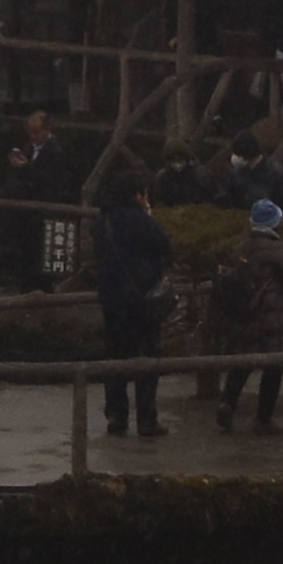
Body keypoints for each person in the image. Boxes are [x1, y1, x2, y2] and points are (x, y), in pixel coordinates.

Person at [91, 170, 175, 438]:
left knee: (115, 356)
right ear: (137, 195)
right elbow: (165, 245)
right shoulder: (139, 220)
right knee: (146, 358)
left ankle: (116, 413)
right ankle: (146, 418)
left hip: (110, 299)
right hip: (141, 299)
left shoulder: (102, 219)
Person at [197, 217, 283, 429]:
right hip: (272, 315)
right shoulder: (275, 248)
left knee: (243, 362)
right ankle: (263, 419)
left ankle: (227, 402)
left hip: (245, 314)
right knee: (274, 366)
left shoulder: (242, 247)